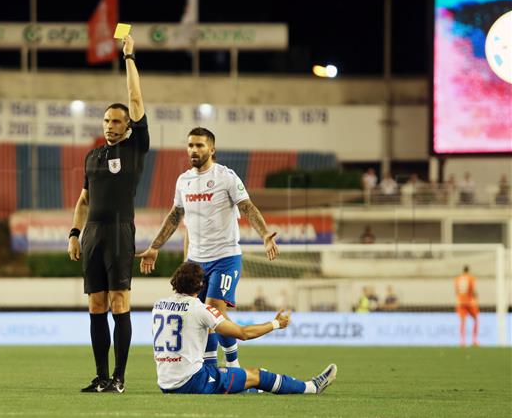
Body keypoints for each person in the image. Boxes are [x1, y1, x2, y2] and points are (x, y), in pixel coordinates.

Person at [137, 127, 278, 370]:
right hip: (196, 261)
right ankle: (211, 367)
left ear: (212, 149)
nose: (194, 150)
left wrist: (265, 234)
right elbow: (175, 216)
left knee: (213, 310)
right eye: (191, 145)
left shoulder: (226, 177)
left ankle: (233, 363)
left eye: (200, 145)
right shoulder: (184, 181)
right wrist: (154, 247)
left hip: (225, 257)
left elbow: (247, 207)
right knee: (201, 317)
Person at [68, 34, 148, 393]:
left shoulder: (134, 148)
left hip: (119, 231)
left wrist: (128, 57)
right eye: (106, 121)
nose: (110, 125)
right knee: (96, 305)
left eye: (117, 121)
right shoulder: (92, 157)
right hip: (93, 234)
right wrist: (74, 233)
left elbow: (135, 99)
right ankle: (101, 376)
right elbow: (83, 200)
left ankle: (119, 377)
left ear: (128, 126)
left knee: (119, 302)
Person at [153, 262, 337, 395]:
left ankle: (234, 381)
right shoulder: (201, 309)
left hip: (165, 382)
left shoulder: (159, 305)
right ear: (201, 286)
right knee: (258, 375)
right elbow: (243, 333)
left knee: (219, 359)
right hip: (192, 382)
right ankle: (311, 387)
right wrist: (275, 324)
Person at [454, 265, 479, 347]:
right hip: (470, 302)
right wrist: (476, 297)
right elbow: (473, 290)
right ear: (468, 271)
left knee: (462, 322)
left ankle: (462, 342)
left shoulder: (457, 279)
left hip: (461, 302)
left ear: (463, 271)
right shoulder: (471, 278)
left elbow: (456, 291)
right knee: (475, 320)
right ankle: (474, 341)